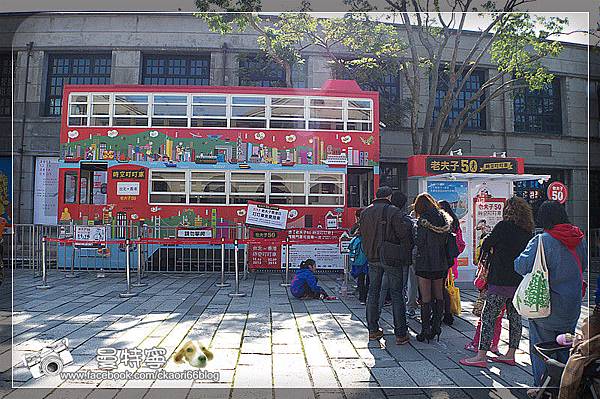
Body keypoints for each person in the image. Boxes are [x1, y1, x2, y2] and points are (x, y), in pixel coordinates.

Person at [514, 201, 587, 390]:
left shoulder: (542, 240)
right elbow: (583, 265)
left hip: (545, 307)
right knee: (565, 347)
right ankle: (565, 386)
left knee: (541, 349)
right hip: (572, 306)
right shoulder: (580, 238)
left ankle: (543, 388)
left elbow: (520, 266)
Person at [460, 196, 534, 368]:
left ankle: (481, 356)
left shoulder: (503, 226)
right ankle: (510, 354)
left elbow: (486, 245)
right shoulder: (527, 230)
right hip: (518, 281)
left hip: (500, 280)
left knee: (488, 317)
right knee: (515, 318)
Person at [359, 186, 414, 345]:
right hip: (391, 257)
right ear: (389, 196)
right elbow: (402, 233)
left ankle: (373, 330)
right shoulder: (393, 211)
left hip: (372, 257)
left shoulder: (365, 212)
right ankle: (401, 333)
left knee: (373, 292)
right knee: (396, 294)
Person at [413, 193, 454, 343]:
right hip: (441, 262)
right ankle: (437, 326)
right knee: (439, 295)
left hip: (424, 262)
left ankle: (425, 329)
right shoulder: (443, 218)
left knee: (426, 298)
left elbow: (419, 241)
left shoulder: (422, 221)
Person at [438, 200, 466, 325]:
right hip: (451, 259)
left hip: (440, 259)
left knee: (440, 287)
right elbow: (461, 243)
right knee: (448, 285)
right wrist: (454, 253)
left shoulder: (439, 222)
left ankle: (444, 312)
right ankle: (449, 311)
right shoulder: (455, 222)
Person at [348, 220, 369, 304]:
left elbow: (350, 248)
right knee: (369, 280)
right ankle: (366, 296)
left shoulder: (355, 239)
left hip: (358, 262)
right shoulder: (369, 239)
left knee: (360, 280)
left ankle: (362, 298)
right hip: (367, 261)